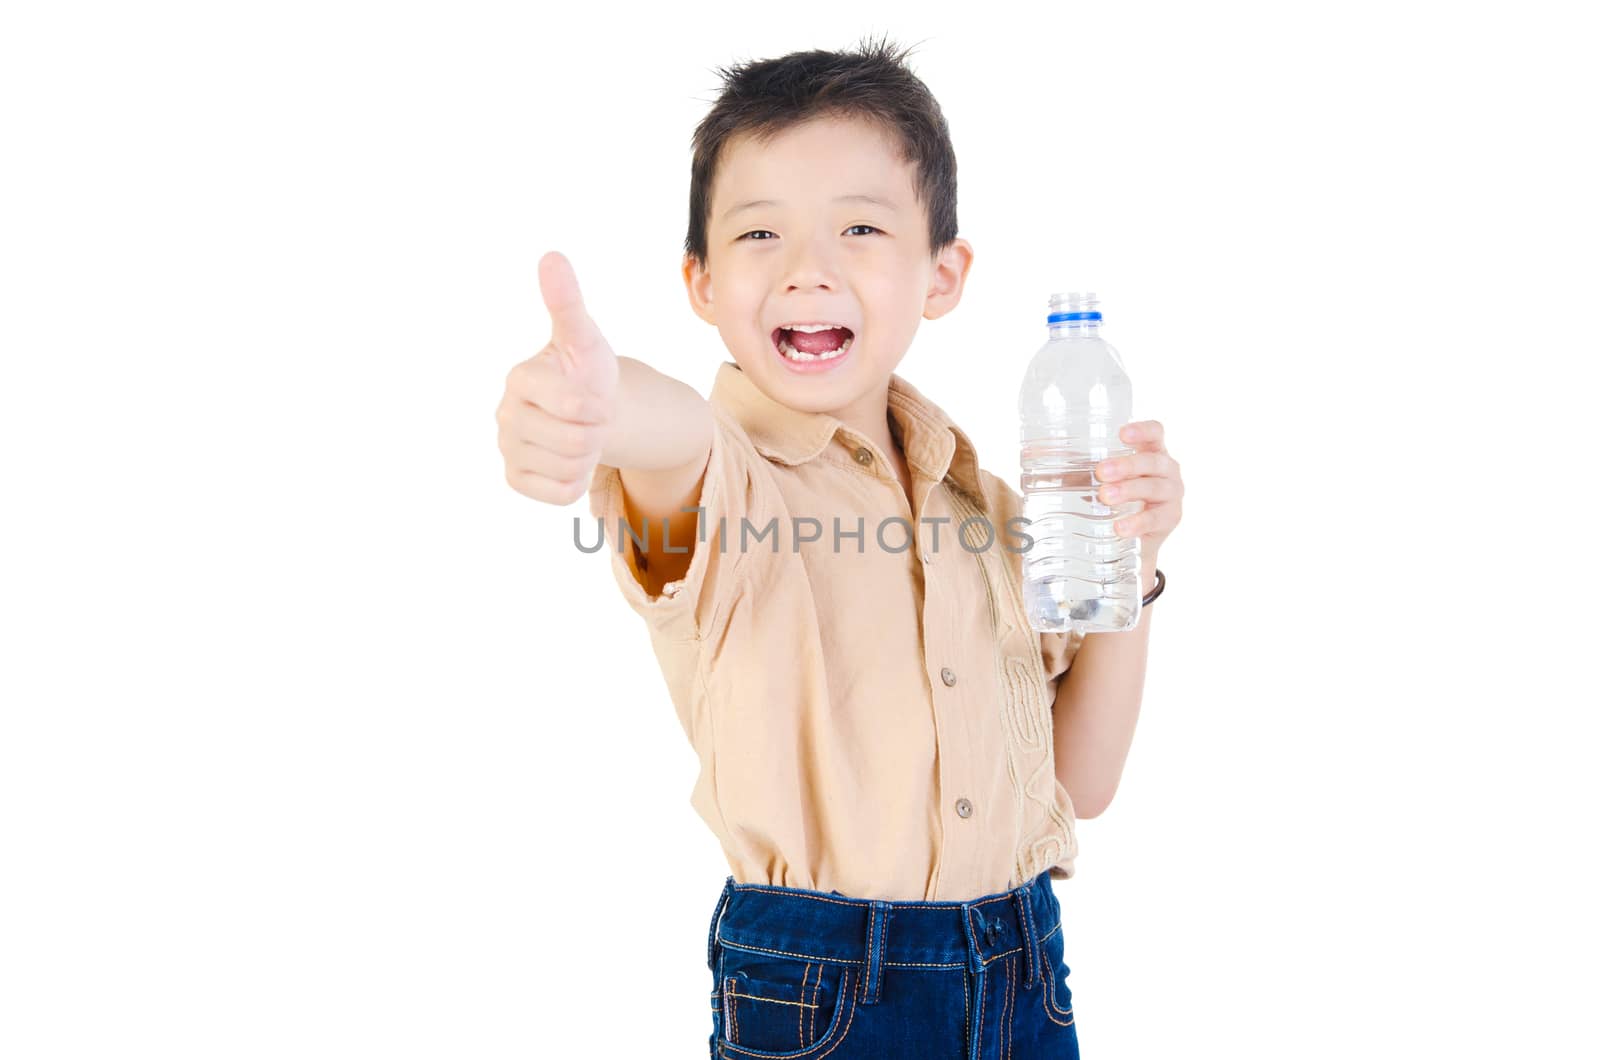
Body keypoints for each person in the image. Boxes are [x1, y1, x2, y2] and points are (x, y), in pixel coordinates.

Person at [496, 33, 1185, 1059]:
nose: (809, 270)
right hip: (827, 992)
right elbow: (670, 431)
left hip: (1028, 967)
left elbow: (1081, 782)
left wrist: (1130, 560)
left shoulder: (986, 505)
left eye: (859, 226)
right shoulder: (732, 479)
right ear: (700, 281)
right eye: (761, 235)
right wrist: (597, 409)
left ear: (941, 274)